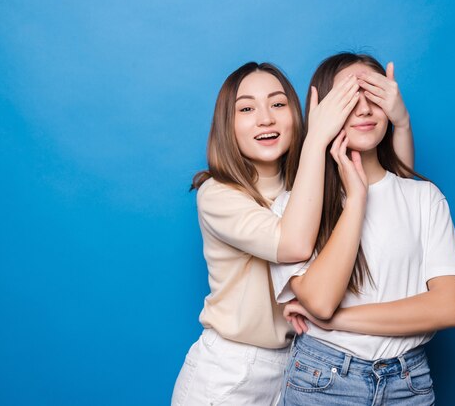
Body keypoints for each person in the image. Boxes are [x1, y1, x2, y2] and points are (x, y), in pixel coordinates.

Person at [172, 60, 414, 405]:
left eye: (278, 103)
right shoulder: (218, 193)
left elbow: (396, 195)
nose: (266, 118)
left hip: (300, 365)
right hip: (232, 371)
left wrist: (400, 122)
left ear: (296, 114)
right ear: (227, 124)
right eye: (246, 108)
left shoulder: (307, 180)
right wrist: (317, 138)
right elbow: (294, 244)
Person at [270, 53, 455, 406]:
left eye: (374, 97)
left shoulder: (424, 197)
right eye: (349, 98)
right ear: (322, 112)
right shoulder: (291, 208)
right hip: (322, 379)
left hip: (409, 383)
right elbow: (320, 300)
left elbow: (449, 306)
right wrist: (357, 199)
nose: (364, 110)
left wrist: (338, 321)